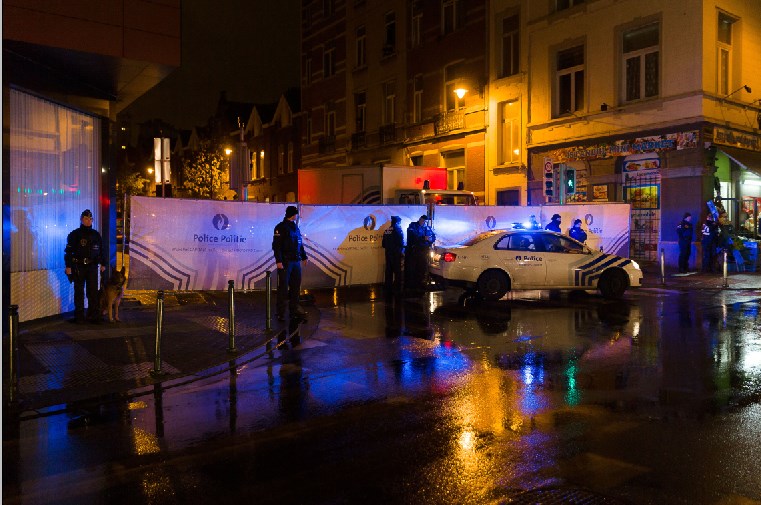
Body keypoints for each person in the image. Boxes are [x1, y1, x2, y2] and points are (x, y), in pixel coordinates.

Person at [64, 209, 107, 323]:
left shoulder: (96, 235)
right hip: (79, 266)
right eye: (86, 219)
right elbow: (68, 252)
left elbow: (101, 250)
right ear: (81, 219)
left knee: (92, 291)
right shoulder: (75, 234)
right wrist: (68, 267)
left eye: (90, 219)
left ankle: (93, 316)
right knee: (79, 291)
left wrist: (103, 263)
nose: (88, 221)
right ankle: (79, 317)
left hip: (92, 266)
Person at [272, 205, 308, 322]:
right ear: (292, 215)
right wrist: (279, 261)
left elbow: (299, 243)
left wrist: (304, 256)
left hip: (296, 261)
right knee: (283, 288)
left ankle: (294, 310)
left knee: (295, 287)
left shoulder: (295, 228)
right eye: (295, 214)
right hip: (286, 262)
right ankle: (280, 313)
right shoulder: (280, 227)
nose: (296, 216)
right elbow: (276, 246)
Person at [405, 215, 436, 293]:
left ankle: (420, 284)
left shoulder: (427, 227)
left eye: (425, 221)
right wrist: (423, 238)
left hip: (424, 250)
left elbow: (433, 236)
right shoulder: (413, 225)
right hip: (414, 250)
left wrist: (429, 240)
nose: (424, 222)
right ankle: (412, 285)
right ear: (420, 219)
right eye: (423, 220)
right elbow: (413, 236)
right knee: (413, 268)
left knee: (422, 267)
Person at [381, 216, 405, 294]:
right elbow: (400, 243)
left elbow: (383, 244)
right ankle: (397, 288)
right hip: (396, 253)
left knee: (388, 270)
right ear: (397, 222)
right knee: (397, 271)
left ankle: (388, 287)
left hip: (388, 253)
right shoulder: (398, 230)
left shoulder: (387, 230)